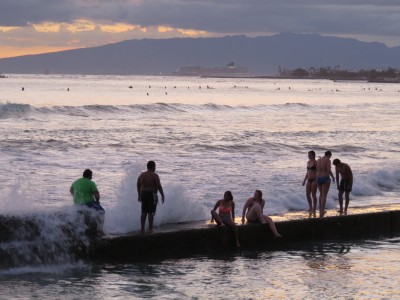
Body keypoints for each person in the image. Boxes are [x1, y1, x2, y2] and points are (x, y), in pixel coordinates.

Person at [70, 169, 105, 234]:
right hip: (88, 203)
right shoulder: (91, 183)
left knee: (85, 215)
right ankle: (100, 230)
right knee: (101, 212)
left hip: (77, 204)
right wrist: (97, 201)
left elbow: (71, 190)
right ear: (89, 176)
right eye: (91, 176)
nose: (91, 178)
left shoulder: (76, 182)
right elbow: (96, 194)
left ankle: (84, 230)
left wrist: (75, 196)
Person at [137, 160, 165, 233]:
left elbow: (138, 184)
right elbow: (158, 185)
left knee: (143, 212)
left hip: (143, 193)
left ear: (147, 167)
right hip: (151, 194)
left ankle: (142, 229)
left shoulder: (142, 175)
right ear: (153, 167)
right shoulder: (155, 175)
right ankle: (150, 229)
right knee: (151, 212)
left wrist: (139, 194)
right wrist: (162, 194)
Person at [316, 151, 335, 217]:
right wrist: (332, 177)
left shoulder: (318, 160)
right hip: (325, 177)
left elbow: (317, 169)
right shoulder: (328, 160)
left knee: (320, 194)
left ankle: (320, 209)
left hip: (318, 177)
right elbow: (328, 170)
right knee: (324, 195)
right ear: (329, 155)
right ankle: (322, 210)